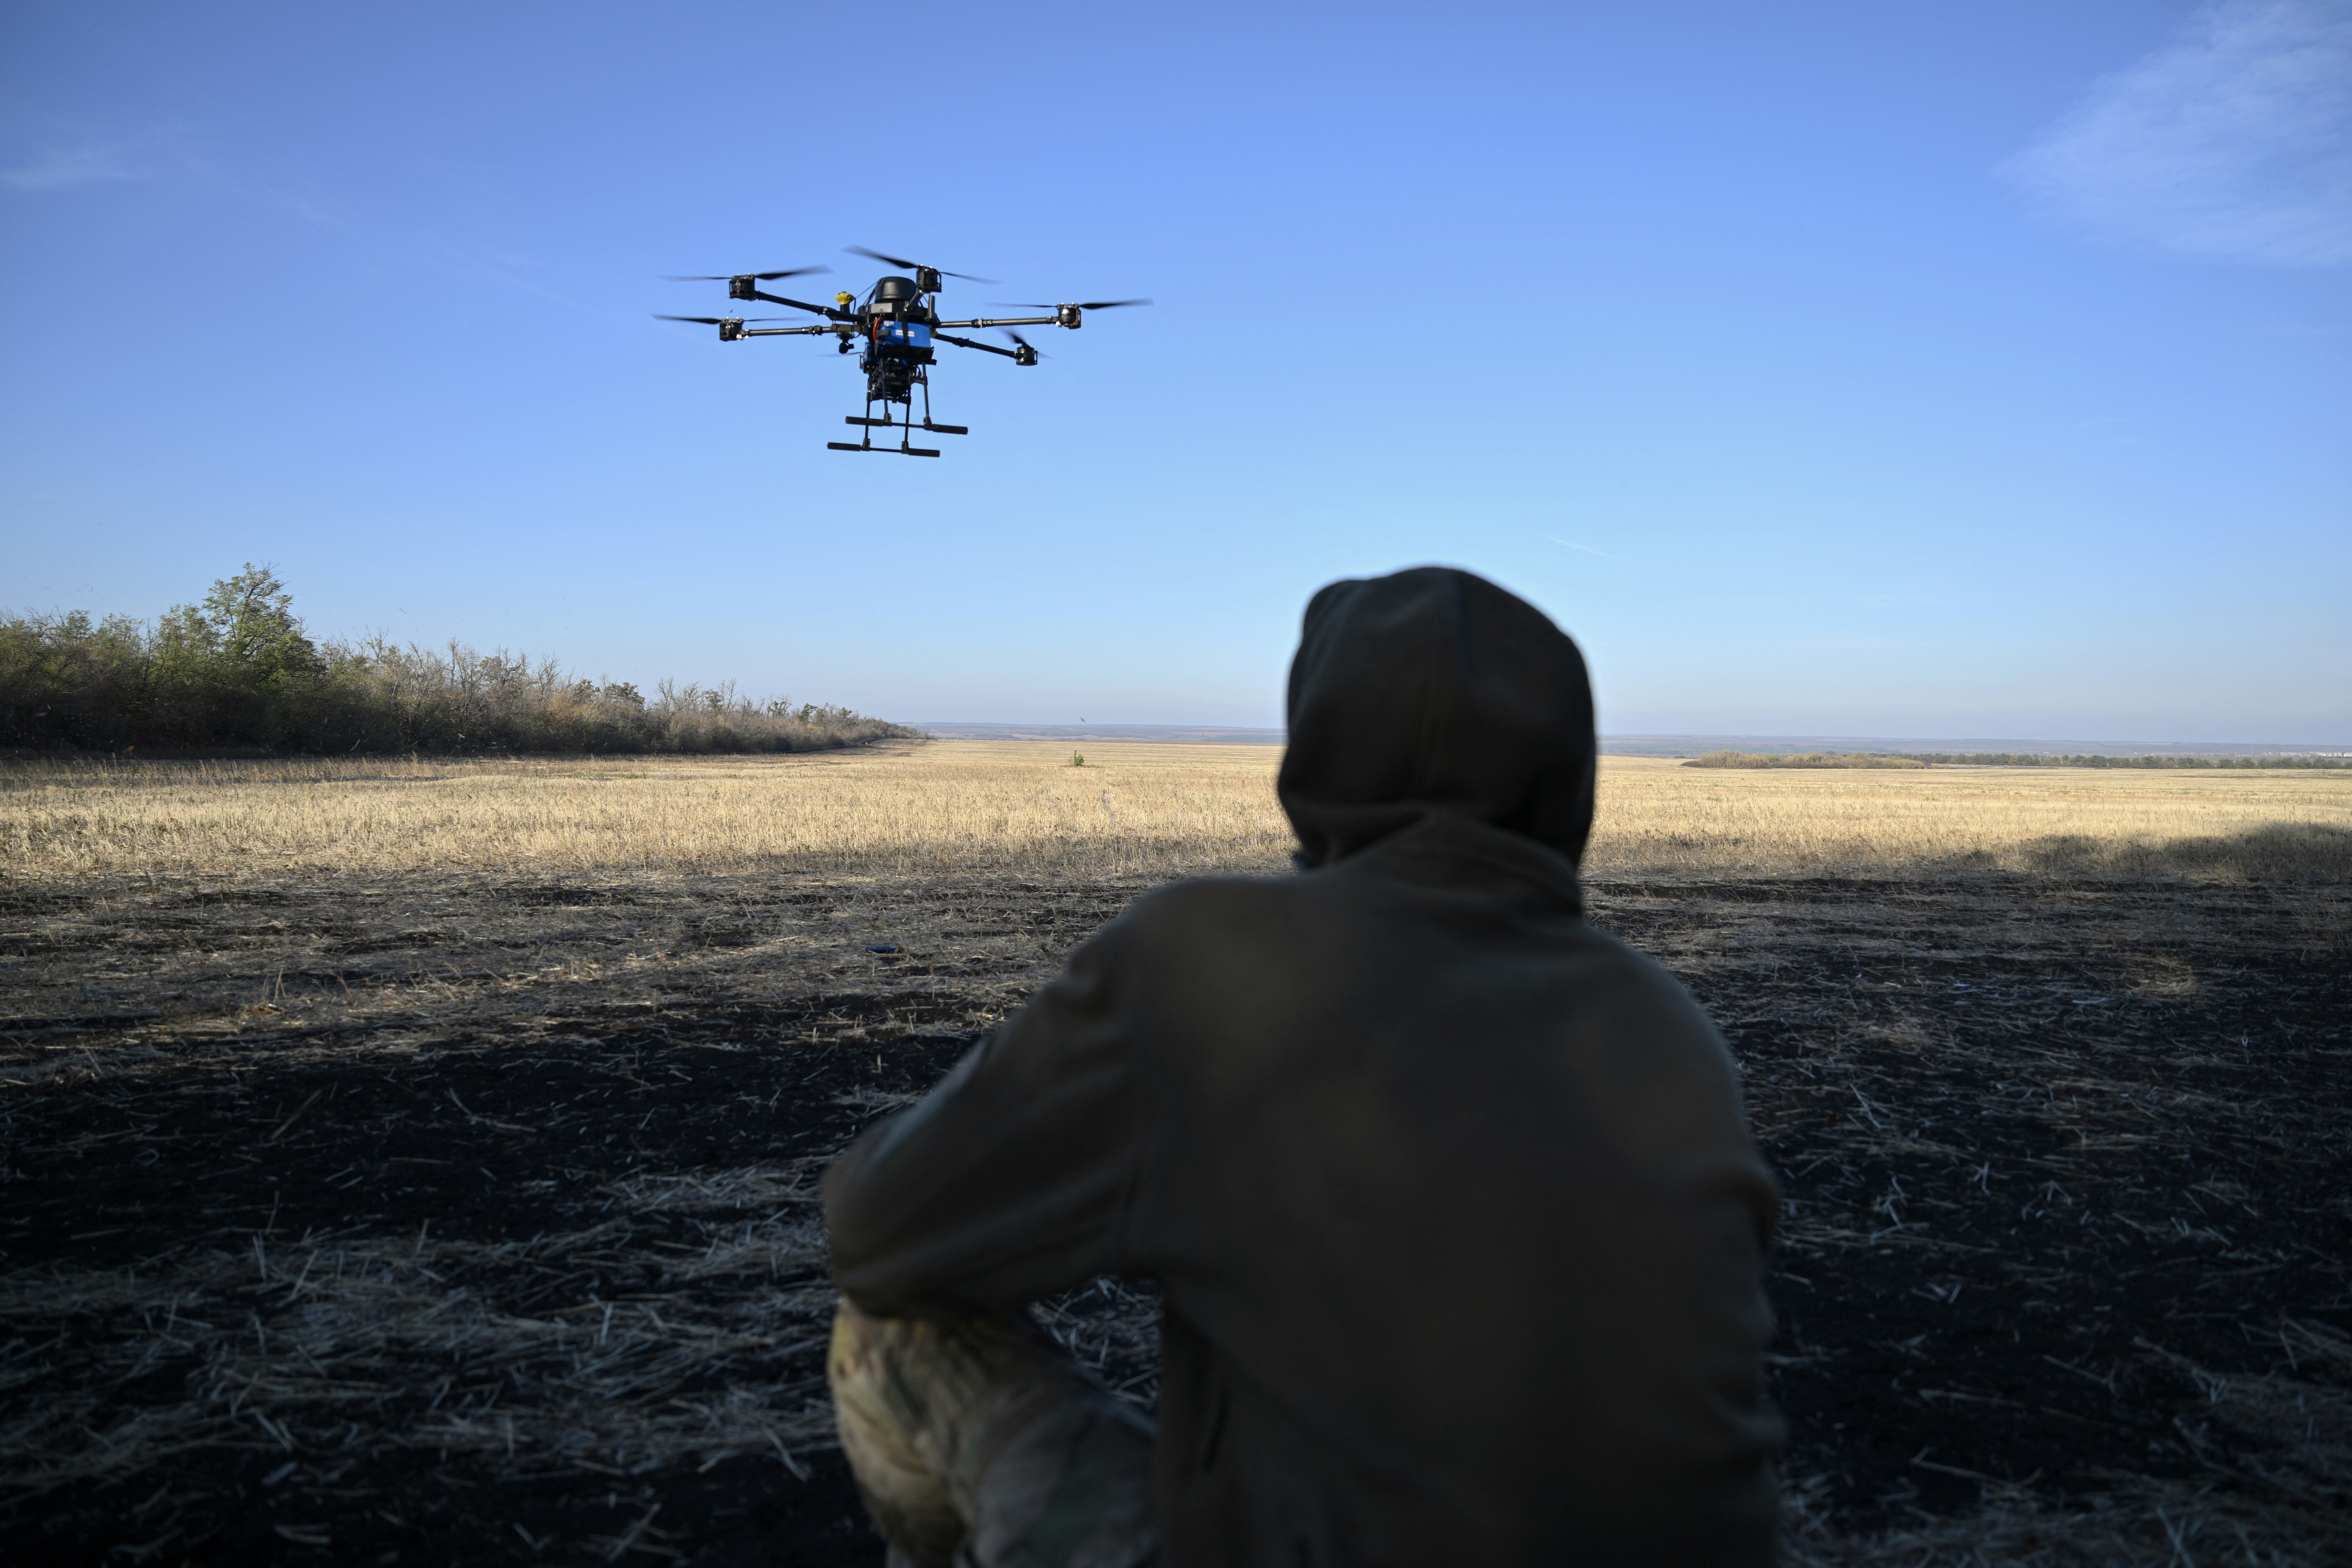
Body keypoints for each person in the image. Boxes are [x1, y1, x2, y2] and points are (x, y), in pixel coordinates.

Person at [823, 566, 1783, 1568]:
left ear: (1321, 750)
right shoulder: (1670, 1027)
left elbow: (878, 1230)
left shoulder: (1204, 962)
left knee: (890, 1333)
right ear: (1569, 774)